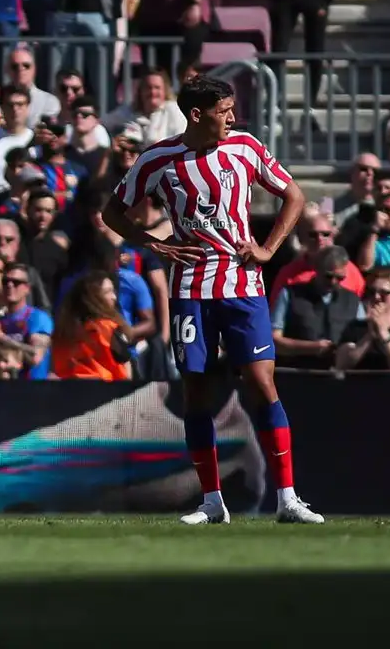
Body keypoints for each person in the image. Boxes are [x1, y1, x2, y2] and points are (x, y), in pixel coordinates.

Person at [101, 74, 324, 525]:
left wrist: (268, 250)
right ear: (197, 115)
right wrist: (155, 244)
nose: (233, 119)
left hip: (243, 286)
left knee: (262, 383)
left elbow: (294, 196)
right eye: (224, 112)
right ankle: (211, 501)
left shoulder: (245, 147)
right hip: (190, 289)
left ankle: (287, 497)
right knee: (197, 390)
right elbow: (112, 212)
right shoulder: (158, 159)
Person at [51, 270, 132, 380]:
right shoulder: (107, 327)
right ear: (94, 298)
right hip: (107, 390)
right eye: (107, 292)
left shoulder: (63, 331)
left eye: (113, 291)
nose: (114, 297)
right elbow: (125, 370)